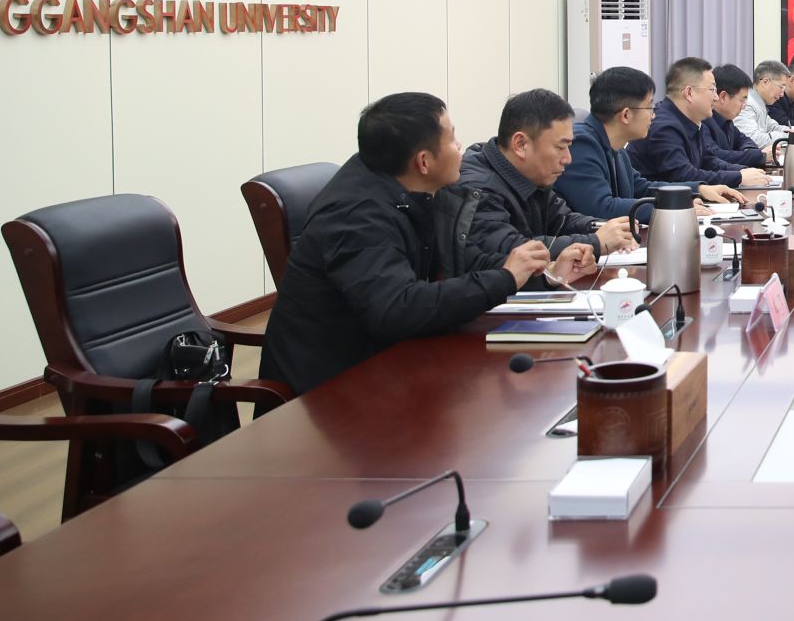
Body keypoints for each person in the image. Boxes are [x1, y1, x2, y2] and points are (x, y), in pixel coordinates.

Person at [260, 92, 560, 396]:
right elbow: (397, 309)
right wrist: (505, 278)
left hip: (393, 361)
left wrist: (540, 272)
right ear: (424, 161)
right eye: (452, 139)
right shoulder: (357, 217)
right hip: (332, 390)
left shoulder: (419, 189)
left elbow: (460, 262)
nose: (460, 146)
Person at [456, 89, 636, 267]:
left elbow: (562, 219)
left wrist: (604, 227)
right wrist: (596, 242)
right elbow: (512, 250)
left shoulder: (528, 174)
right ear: (521, 144)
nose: (568, 159)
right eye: (560, 147)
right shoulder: (479, 188)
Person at [555, 67, 746, 223]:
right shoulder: (581, 144)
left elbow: (641, 187)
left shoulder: (614, 145)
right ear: (626, 115)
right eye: (649, 107)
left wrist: (697, 190)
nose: (653, 115)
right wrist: (671, 208)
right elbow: (602, 207)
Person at [629, 56, 771, 188]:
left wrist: (743, 171)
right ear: (689, 93)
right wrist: (738, 177)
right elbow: (683, 176)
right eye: (712, 90)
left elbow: (708, 160)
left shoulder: (693, 120)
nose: (716, 97)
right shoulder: (664, 126)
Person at [704, 64, 771, 168]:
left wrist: (751, 152)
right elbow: (715, 156)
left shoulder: (727, 121)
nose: (744, 106)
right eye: (742, 100)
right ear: (723, 97)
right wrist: (759, 156)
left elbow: (745, 140)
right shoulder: (703, 121)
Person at [737, 60, 792, 151]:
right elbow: (753, 139)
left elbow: (773, 127)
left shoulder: (759, 103)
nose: (782, 94)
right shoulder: (747, 104)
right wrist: (788, 136)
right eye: (781, 87)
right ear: (765, 82)